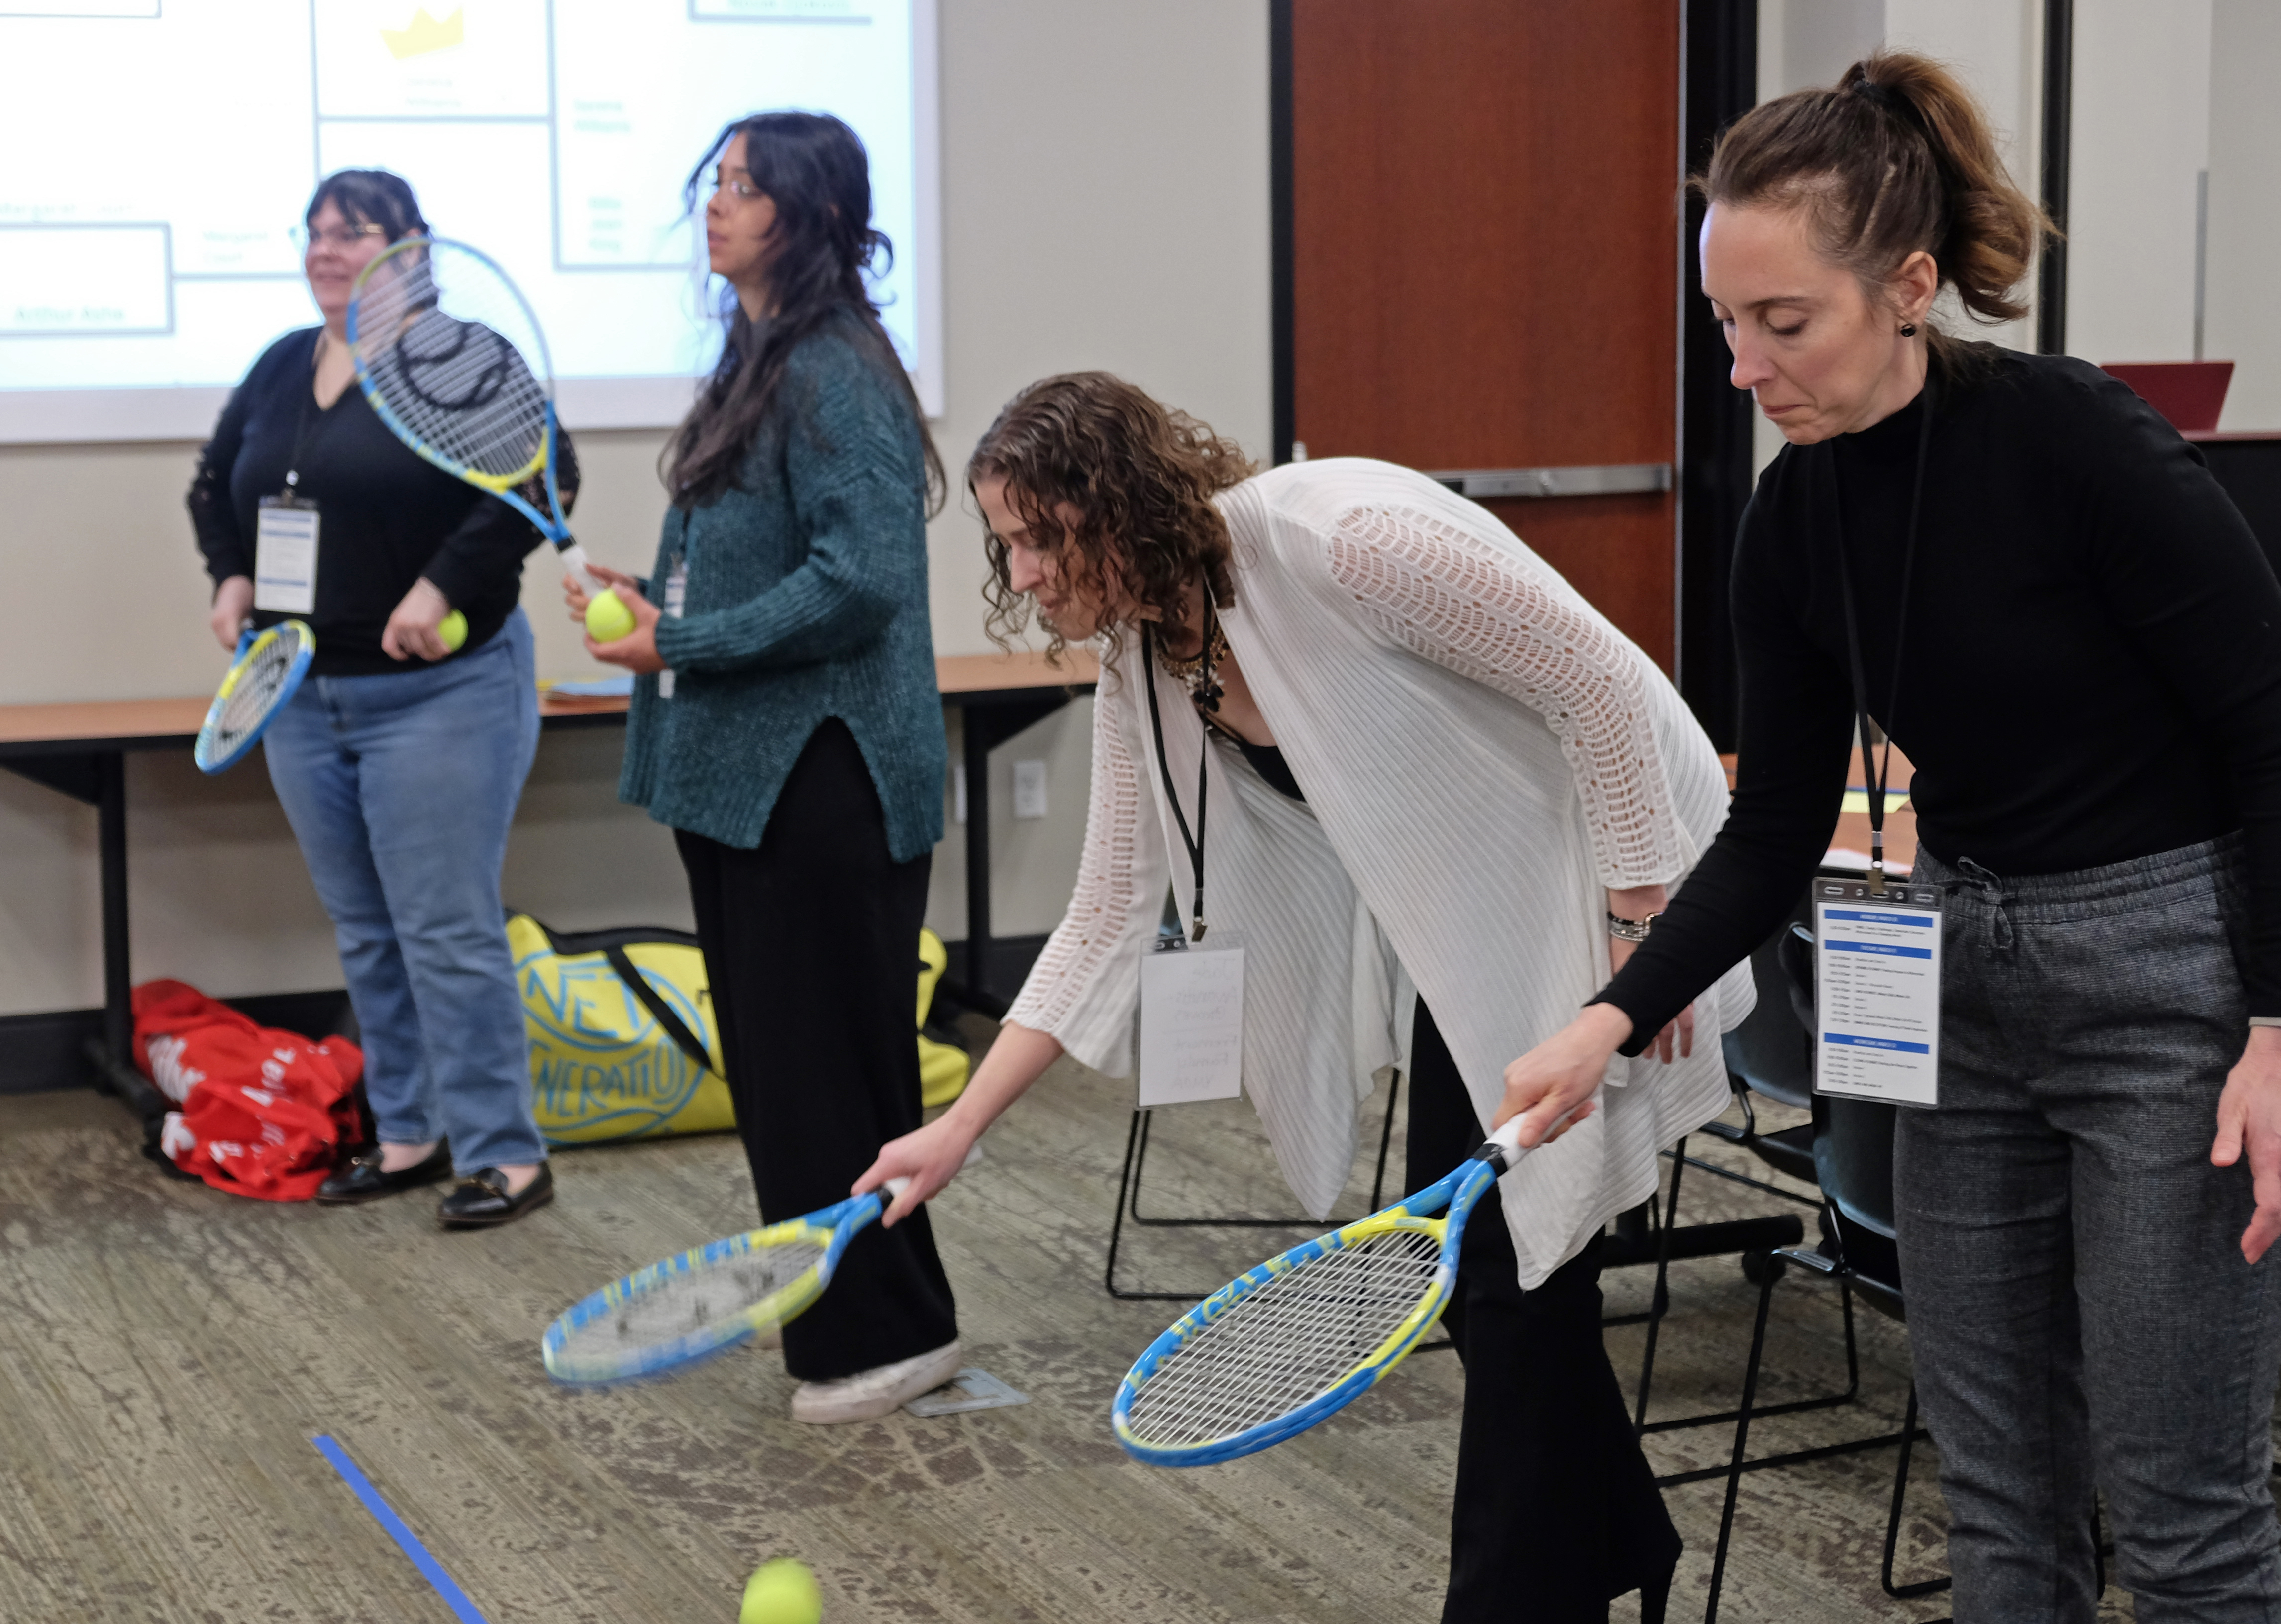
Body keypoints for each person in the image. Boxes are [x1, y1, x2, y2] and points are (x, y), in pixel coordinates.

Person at [1498, 50, 2281, 1624]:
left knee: (2181, 1513)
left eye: (1784, 322)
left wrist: (2276, 1025)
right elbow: (1776, 824)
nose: (1745, 367)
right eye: (1725, 322)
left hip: (2166, 991)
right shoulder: (1792, 521)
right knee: (1999, 1499)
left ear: (1910, 289)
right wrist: (1610, 1016)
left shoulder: (2076, 442)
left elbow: (2271, 734)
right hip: (1961, 986)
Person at [854, 372, 1755, 1622]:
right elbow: (1106, 912)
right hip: (1474, 916)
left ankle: (1517, 1600)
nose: (1026, 573)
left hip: (1608, 862)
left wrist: (1644, 932)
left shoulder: (1347, 546)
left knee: (1515, 1279)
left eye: (1042, 537)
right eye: (1007, 543)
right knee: (1483, 1276)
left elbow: (1599, 683)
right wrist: (960, 1128)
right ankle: (1625, 1544)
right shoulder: (1144, 660)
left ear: (1122, 506)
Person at [568, 112, 956, 1424]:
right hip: (755, 784)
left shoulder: (835, 367)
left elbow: (862, 580)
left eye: (743, 184)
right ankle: (855, 1321)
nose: (716, 204)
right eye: (715, 182)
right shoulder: (761, 356)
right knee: (793, 1084)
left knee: (831, 1082)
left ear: (812, 210)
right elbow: (766, 561)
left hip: (823, 782)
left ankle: (889, 1336)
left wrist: (676, 641)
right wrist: (656, 600)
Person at [188, 169, 569, 1228]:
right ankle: (408, 1134)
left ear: (412, 247)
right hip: (302, 696)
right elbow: (213, 486)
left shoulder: (460, 357)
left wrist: (441, 587)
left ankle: (505, 1155)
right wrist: (231, 576)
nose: (327, 250)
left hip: (441, 695)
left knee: (445, 928)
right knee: (365, 930)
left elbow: (543, 484)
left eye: (353, 233)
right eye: (315, 232)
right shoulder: (283, 364)